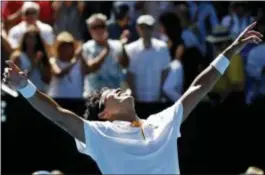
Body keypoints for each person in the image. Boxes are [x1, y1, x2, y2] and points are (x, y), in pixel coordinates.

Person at [3, 22, 262, 174]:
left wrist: (230, 51)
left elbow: (199, 86)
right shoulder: (98, 133)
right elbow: (58, 115)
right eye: (111, 94)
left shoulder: (163, 121)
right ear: (105, 113)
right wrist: (26, 87)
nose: (118, 89)